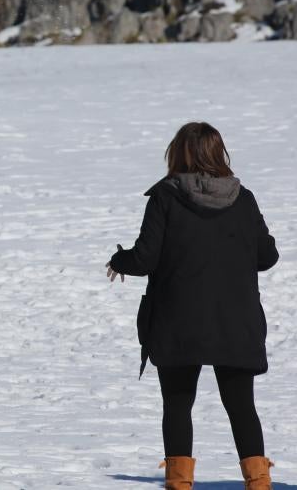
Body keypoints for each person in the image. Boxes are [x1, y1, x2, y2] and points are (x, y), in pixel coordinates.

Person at [106, 122, 278, 490]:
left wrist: (119, 261)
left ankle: (180, 484)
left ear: (178, 152)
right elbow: (267, 256)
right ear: (219, 153)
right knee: (241, 407)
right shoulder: (243, 198)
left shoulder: (166, 197)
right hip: (235, 320)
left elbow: (146, 258)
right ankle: (259, 482)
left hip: (178, 320)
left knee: (178, 404)